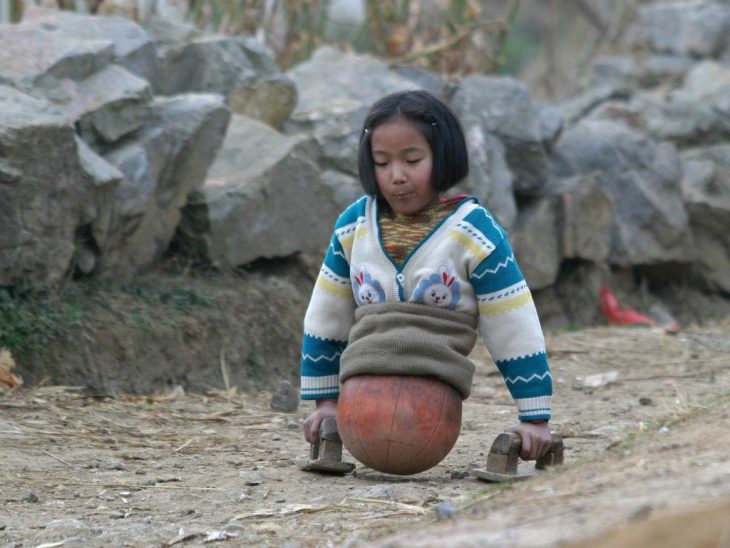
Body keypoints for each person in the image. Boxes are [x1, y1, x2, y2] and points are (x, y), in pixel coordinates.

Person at [299, 89, 553, 462]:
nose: (396, 176)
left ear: (443, 154)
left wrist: (534, 417)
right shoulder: (353, 227)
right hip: (360, 395)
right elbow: (326, 314)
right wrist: (324, 403)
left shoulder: (473, 234)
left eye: (412, 159)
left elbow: (513, 322)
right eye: (381, 163)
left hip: (432, 406)